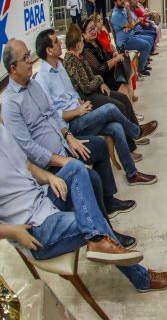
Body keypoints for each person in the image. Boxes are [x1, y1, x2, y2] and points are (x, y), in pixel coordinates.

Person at [0, 124, 167, 292]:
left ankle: (99, 241)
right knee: (94, 221)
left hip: (43, 199)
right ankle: (142, 278)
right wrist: (14, 233)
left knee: (75, 167)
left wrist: (49, 178)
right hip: (33, 229)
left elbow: (26, 165)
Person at [1, 39, 133, 217]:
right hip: (50, 164)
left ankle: (108, 202)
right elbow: (28, 148)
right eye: (25, 58)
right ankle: (103, 234)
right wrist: (63, 161)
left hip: (65, 144)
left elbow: (54, 114)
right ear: (13, 68)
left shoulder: (34, 85)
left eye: (29, 56)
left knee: (100, 146)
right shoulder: (11, 104)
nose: (30, 61)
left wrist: (69, 137)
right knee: (91, 178)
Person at [34, 30, 157, 187]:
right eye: (56, 42)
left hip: (81, 111)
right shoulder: (42, 78)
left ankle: (132, 174)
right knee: (110, 108)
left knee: (117, 127)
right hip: (71, 126)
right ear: (48, 50)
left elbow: (71, 92)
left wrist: (80, 103)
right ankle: (136, 132)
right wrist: (76, 112)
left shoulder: (59, 65)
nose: (60, 44)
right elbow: (52, 115)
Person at [80, 18, 133, 100]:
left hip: (109, 73)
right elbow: (99, 69)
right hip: (102, 80)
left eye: (94, 28)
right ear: (84, 34)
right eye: (90, 30)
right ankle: (127, 109)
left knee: (127, 79)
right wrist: (115, 59)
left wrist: (114, 55)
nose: (94, 31)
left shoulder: (96, 41)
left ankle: (130, 109)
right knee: (124, 87)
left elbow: (105, 56)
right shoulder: (86, 50)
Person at [110, 0, 154, 76]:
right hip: (124, 42)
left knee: (150, 39)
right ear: (115, 3)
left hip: (131, 35)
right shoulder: (116, 15)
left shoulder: (122, 9)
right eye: (120, 0)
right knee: (146, 45)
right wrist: (129, 15)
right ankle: (141, 69)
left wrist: (131, 25)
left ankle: (143, 64)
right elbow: (131, 24)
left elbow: (132, 23)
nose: (123, 1)